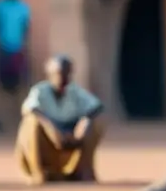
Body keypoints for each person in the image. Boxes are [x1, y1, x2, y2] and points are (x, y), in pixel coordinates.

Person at [16, 55, 105, 184]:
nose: (62, 78)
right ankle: (38, 172)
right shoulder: (40, 91)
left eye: (66, 74)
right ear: (49, 75)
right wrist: (51, 129)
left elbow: (96, 107)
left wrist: (84, 122)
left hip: (69, 135)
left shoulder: (75, 92)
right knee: (31, 123)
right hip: (46, 139)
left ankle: (83, 170)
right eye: (58, 74)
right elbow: (29, 109)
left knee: (95, 123)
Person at [0, 0, 31, 94]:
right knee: (4, 81)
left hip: (18, 48)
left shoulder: (23, 7)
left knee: (20, 80)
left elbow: (26, 27)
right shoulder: (0, 6)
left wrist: (24, 46)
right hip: (3, 46)